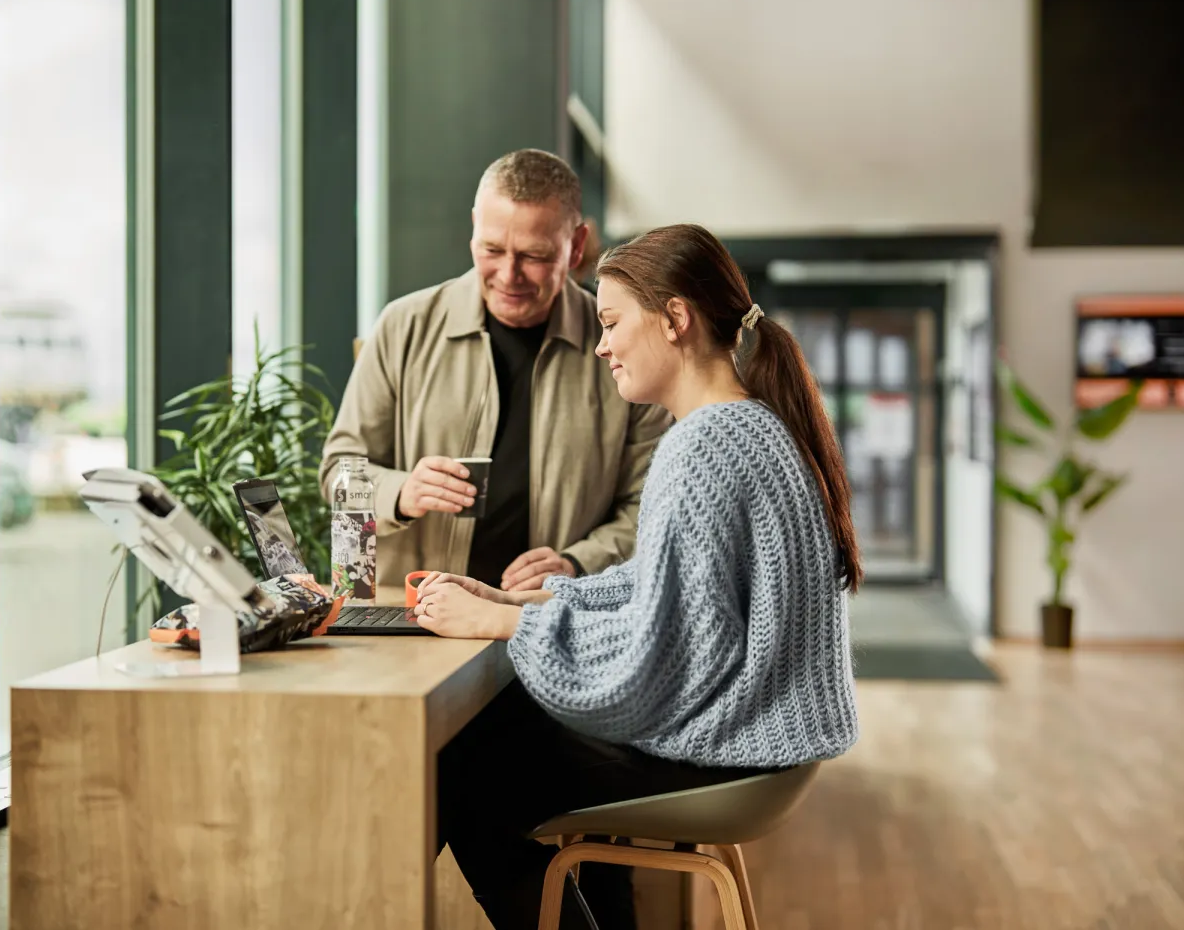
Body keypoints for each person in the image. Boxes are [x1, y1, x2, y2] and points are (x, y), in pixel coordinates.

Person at [413, 223, 862, 930]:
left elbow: (664, 657)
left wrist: (508, 623)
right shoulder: (753, 425)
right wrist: (528, 596)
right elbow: (671, 590)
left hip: (734, 751)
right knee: (493, 748)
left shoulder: (700, 448)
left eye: (613, 322)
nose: (601, 345)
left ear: (675, 319)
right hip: (772, 744)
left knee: (462, 774)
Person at [322, 150, 669, 595]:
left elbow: (652, 504)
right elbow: (338, 471)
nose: (509, 274)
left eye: (534, 255)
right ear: (473, 228)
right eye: (492, 249)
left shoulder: (621, 346)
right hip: (416, 617)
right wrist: (401, 493)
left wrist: (578, 563)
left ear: (576, 245)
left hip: (552, 620)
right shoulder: (404, 326)